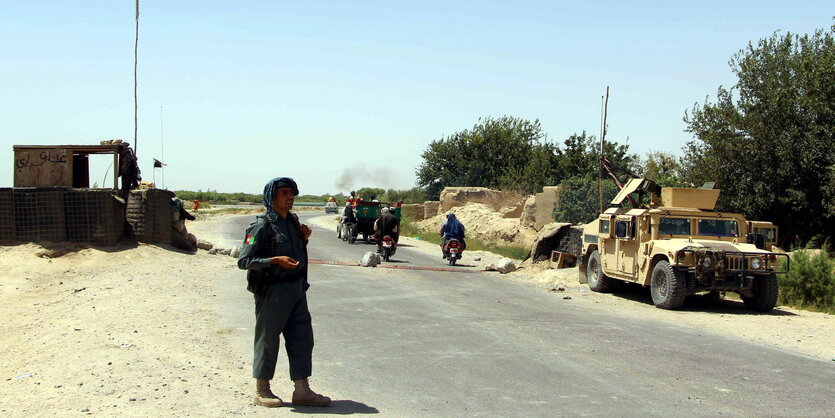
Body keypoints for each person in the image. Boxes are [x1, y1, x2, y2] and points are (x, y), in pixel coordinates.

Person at [237, 177, 331, 408]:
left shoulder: (293, 222)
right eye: (284, 193)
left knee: (302, 339)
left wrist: (303, 239)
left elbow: (296, 252)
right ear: (272, 197)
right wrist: (274, 260)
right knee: (268, 339)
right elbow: (244, 260)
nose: (290, 197)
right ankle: (262, 389)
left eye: (292, 193)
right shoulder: (261, 225)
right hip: (272, 291)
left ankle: (302, 390)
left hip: (296, 290)